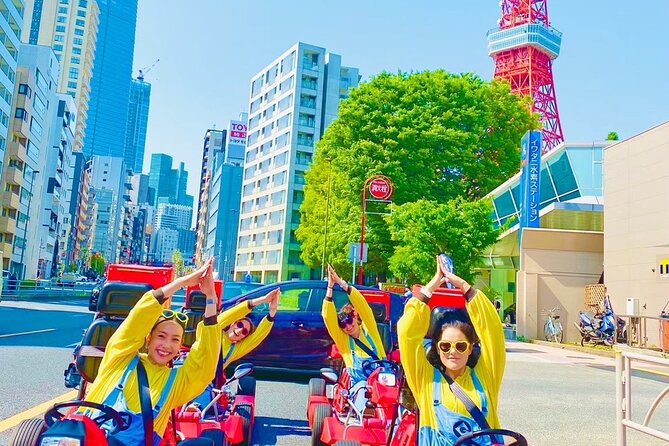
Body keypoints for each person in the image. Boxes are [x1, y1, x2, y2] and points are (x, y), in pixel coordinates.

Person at [83, 258, 221, 446]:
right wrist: (182, 282)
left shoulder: (177, 382)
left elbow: (206, 358)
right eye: (161, 336)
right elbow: (138, 319)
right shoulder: (120, 357)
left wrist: (211, 297)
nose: (166, 345)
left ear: (180, 347)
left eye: (175, 340)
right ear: (148, 339)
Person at [397, 256, 505, 446]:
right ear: (437, 349)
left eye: (460, 346)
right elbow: (406, 333)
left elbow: (493, 331)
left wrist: (464, 286)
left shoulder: (486, 375)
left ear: (471, 348)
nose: (452, 352)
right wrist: (431, 287)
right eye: (445, 346)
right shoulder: (425, 380)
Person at [187, 288, 281, 411]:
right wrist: (261, 300)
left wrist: (272, 312)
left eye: (244, 332)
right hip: (187, 374)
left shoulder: (234, 350)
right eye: (239, 325)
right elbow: (228, 316)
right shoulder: (211, 330)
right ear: (232, 324)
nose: (239, 330)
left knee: (203, 394)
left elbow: (258, 337)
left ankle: (195, 409)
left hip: (203, 385)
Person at [322, 264, 387, 387]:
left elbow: (363, 306)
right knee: (362, 393)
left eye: (349, 321)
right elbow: (327, 318)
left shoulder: (370, 331)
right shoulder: (344, 341)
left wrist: (341, 283)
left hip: (380, 385)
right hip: (359, 388)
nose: (347, 326)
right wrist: (330, 286)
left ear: (355, 316)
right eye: (343, 325)